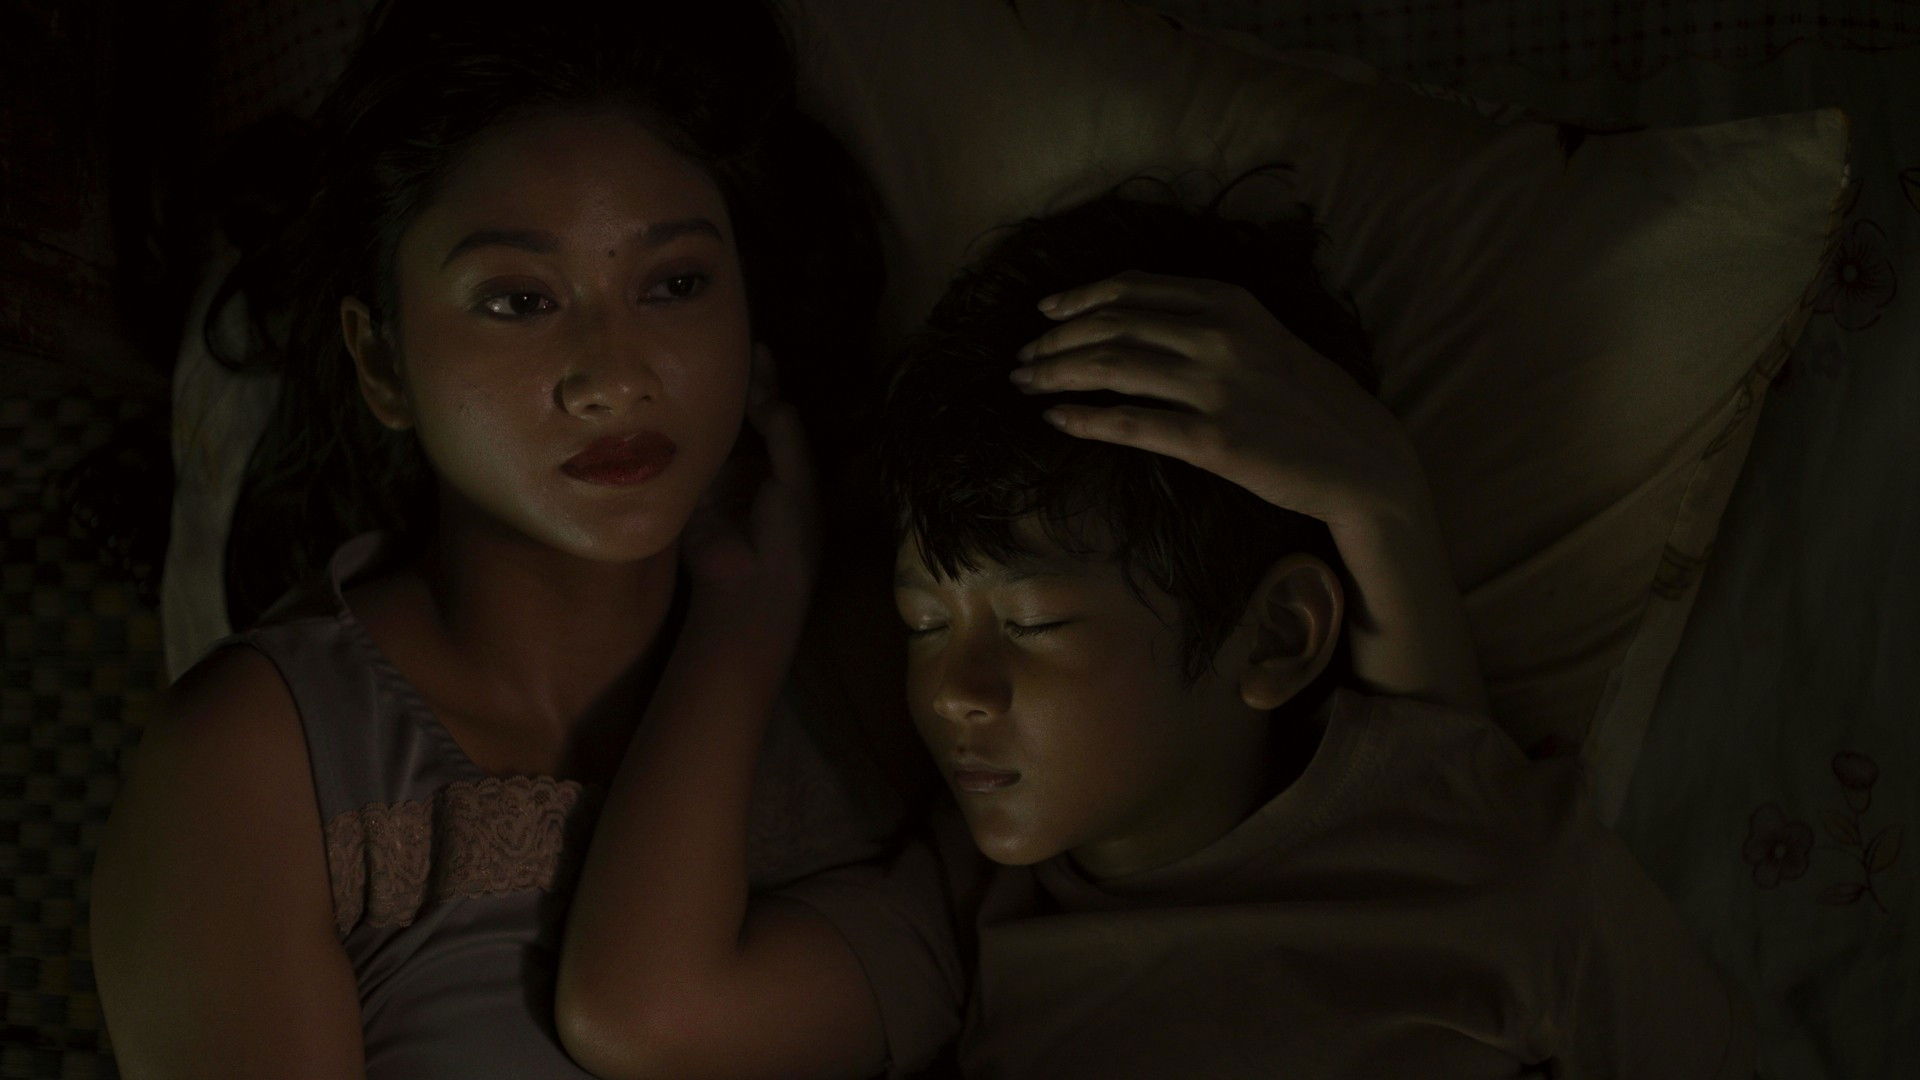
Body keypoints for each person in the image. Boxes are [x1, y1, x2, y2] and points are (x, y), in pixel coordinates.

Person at [553, 190, 1755, 1078]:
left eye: (1031, 622)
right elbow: (638, 1018)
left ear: (1274, 640)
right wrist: (744, 611)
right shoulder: (980, 912)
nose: (955, 688)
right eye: (922, 621)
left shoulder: (1494, 865)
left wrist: (1379, 496)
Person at [89, 2, 918, 1076]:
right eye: (520, 301)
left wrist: (746, 624)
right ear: (383, 363)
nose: (615, 376)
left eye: (675, 284)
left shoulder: (907, 670)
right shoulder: (259, 762)